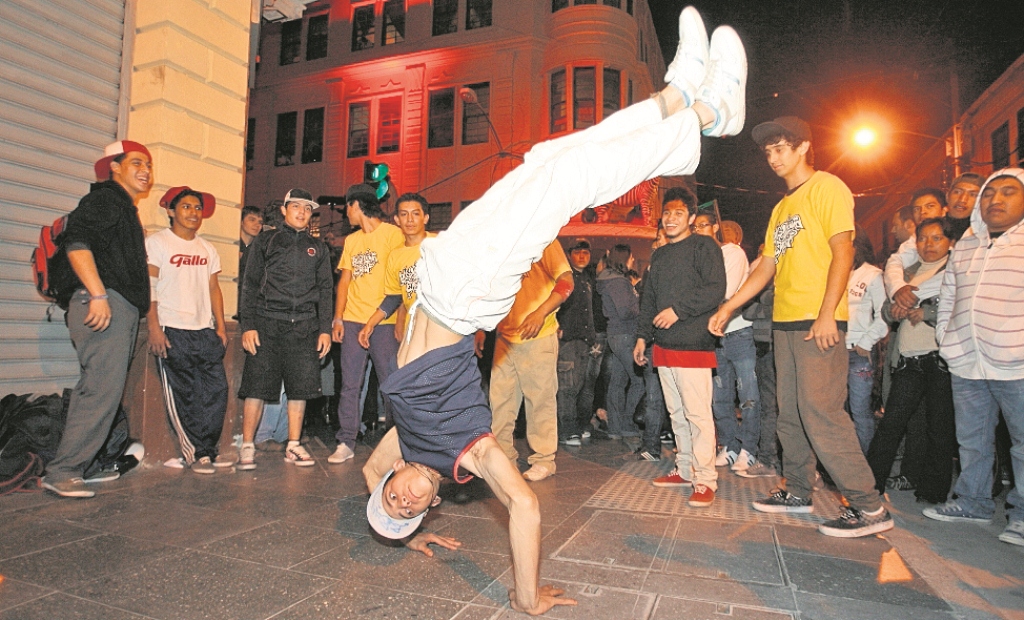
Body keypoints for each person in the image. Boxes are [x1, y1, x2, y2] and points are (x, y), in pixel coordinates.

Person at [362, 6, 746, 614]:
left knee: (545, 159)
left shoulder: (400, 452)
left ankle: (675, 96)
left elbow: (370, 477)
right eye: (411, 508)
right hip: (467, 293)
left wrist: (410, 534)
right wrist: (526, 596)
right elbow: (524, 507)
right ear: (433, 499)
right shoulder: (468, 455)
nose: (405, 498)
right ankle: (708, 115)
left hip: (440, 274)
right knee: (568, 182)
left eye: (395, 501)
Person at [709, 115, 894, 538]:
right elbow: (767, 267)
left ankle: (869, 507)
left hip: (818, 319)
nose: (773, 158)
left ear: (804, 147)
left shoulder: (827, 187)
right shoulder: (781, 207)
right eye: (768, 151)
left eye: (781, 148)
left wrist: (830, 312)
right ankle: (797, 489)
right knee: (789, 413)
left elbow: (842, 251)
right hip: (785, 321)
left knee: (821, 412)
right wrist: (729, 306)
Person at [41, 141, 152, 499]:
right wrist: (98, 294)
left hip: (120, 307)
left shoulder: (122, 207)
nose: (146, 170)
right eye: (137, 162)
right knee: (100, 390)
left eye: (149, 164)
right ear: (114, 167)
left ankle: (83, 464)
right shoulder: (106, 200)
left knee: (103, 389)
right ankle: (63, 472)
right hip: (105, 302)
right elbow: (77, 243)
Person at [925, 169, 1024, 547]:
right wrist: (946, 340)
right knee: (972, 439)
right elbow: (949, 294)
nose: (995, 199)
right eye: (989, 193)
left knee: (1021, 442)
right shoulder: (967, 241)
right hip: (966, 360)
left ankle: (1021, 515)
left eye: (1008, 192)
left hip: (1015, 363)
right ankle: (972, 502)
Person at [634, 187, 726, 507]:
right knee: (676, 413)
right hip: (663, 345)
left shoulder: (704, 246)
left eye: (678, 213)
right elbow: (648, 299)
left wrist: (678, 310)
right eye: (667, 213)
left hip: (694, 343)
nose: (671, 218)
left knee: (698, 415)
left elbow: (716, 289)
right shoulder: (659, 254)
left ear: (690, 217)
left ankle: (705, 479)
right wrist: (642, 336)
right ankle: (685, 468)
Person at [237, 189, 333, 469]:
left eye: (307, 208)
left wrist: (324, 329)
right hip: (267, 323)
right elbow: (250, 284)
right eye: (296, 207)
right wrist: (248, 325)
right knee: (256, 386)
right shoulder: (266, 240)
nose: (302, 212)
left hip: (304, 325)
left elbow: (326, 290)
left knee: (299, 389)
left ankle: (293, 444)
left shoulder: (318, 247)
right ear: (284, 210)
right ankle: (246, 446)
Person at [866, 218, 956, 504]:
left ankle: (932, 493)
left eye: (937, 238)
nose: (928, 245)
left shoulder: (956, 270)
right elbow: (885, 310)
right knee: (891, 423)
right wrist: (896, 309)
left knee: (939, 428)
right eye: (923, 239)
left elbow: (962, 306)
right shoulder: (906, 271)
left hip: (939, 359)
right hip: (907, 358)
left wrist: (927, 313)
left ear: (950, 242)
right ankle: (870, 485)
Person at [145, 187, 229, 475]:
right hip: (172, 329)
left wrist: (220, 326)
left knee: (216, 390)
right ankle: (195, 452)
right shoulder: (157, 243)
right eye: (186, 207)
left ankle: (208, 450)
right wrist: (154, 327)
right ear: (171, 211)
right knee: (186, 394)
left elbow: (214, 288)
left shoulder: (207, 249)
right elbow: (150, 287)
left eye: (197, 208)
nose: (193, 213)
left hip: (204, 330)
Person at [330, 185, 405, 464]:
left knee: (390, 383)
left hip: (384, 321)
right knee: (350, 383)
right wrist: (338, 318)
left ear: (356, 205)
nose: (345, 214)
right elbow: (345, 281)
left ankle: (396, 442)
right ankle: (346, 440)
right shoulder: (352, 240)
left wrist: (391, 319)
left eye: (346, 207)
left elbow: (399, 283)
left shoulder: (393, 235)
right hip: (352, 319)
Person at [488, 240, 573, 481]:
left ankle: (544, 459)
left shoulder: (544, 240)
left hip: (538, 333)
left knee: (540, 400)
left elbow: (566, 281)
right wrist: (483, 330)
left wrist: (540, 312)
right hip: (505, 335)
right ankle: (503, 457)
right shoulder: (501, 244)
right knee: (500, 402)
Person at [692, 212, 761, 472]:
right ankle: (730, 446)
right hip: (713, 337)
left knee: (748, 395)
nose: (698, 230)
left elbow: (724, 293)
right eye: (695, 226)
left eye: (703, 225)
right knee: (719, 396)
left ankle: (749, 449)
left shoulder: (731, 252)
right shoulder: (699, 259)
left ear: (715, 228)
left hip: (738, 333)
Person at [596, 244, 643, 443]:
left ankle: (615, 427)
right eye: (631, 257)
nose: (632, 261)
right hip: (625, 334)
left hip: (615, 334)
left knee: (617, 381)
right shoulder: (618, 282)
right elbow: (625, 311)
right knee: (639, 381)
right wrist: (639, 305)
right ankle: (626, 423)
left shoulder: (610, 280)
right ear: (625, 259)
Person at [845, 231, 887, 453]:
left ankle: (868, 466)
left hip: (858, 354)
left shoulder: (872, 275)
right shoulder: (836, 271)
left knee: (860, 411)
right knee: (838, 412)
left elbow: (884, 316)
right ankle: (844, 466)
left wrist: (865, 343)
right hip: (834, 353)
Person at [556, 239, 598, 447]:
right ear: (569, 254)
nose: (582, 256)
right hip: (568, 340)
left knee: (581, 387)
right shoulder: (563, 277)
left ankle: (579, 426)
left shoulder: (587, 279)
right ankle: (567, 430)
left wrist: (592, 337)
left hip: (584, 340)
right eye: (578, 252)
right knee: (567, 387)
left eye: (586, 253)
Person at [945, 172, 984, 241]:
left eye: (973, 195)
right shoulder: (933, 230)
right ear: (947, 196)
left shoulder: (984, 234)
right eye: (957, 192)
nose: (962, 200)